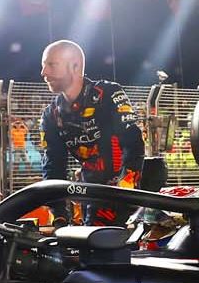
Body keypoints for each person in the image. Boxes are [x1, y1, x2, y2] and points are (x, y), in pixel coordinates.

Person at [39, 39, 145, 225]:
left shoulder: (108, 94)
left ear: (75, 66)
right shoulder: (51, 114)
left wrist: (126, 189)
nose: (44, 73)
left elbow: (133, 143)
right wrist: (59, 213)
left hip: (130, 190)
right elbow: (53, 164)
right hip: (92, 193)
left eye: (51, 65)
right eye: (43, 65)